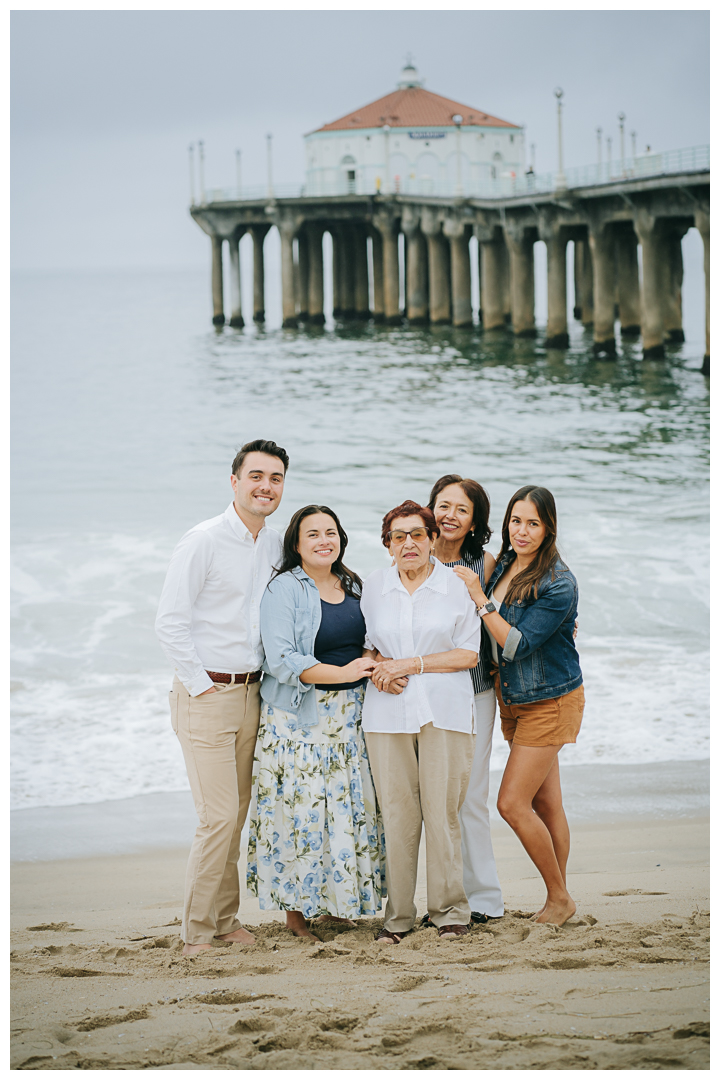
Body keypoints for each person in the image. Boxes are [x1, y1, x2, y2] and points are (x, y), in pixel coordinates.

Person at [155, 439, 288, 955]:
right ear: (234, 482)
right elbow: (170, 622)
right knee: (217, 817)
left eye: (275, 478)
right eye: (256, 476)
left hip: (254, 694)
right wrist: (201, 684)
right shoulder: (203, 540)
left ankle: (227, 921)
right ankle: (196, 933)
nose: (265, 486)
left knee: (237, 810)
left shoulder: (276, 544)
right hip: (207, 694)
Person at [247, 505, 385, 940]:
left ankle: (334, 905)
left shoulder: (354, 584)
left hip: (348, 720)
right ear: (297, 544)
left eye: (331, 532)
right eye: (313, 534)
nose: (324, 540)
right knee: (299, 815)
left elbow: (369, 641)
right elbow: (281, 658)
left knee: (342, 812)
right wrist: (341, 673)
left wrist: (367, 661)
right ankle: (295, 916)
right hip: (298, 723)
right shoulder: (284, 589)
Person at [453, 485, 584, 926]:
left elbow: (515, 644)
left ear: (548, 529)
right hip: (515, 700)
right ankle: (559, 898)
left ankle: (559, 898)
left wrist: (478, 596)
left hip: (548, 701)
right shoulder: (507, 562)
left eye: (533, 523)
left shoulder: (558, 582)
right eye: (515, 521)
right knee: (546, 805)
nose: (522, 531)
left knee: (511, 804)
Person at [360, 500, 481, 944]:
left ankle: (449, 911)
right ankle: (398, 919)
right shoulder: (372, 587)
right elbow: (368, 647)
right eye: (398, 536)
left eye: (417, 534)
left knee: (442, 812)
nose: (408, 543)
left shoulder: (456, 587)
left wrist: (409, 664)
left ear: (433, 539)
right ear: (387, 545)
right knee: (396, 815)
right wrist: (378, 669)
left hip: (444, 712)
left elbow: (469, 653)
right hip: (386, 714)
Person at [428, 474, 504, 923]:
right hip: (421, 692)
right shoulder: (411, 549)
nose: (449, 516)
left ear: (474, 521)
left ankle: (485, 901)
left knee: (470, 795)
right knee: (429, 800)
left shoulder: (486, 564)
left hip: (475, 692)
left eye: (461, 509)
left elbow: (505, 614)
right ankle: (440, 897)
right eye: (443, 505)